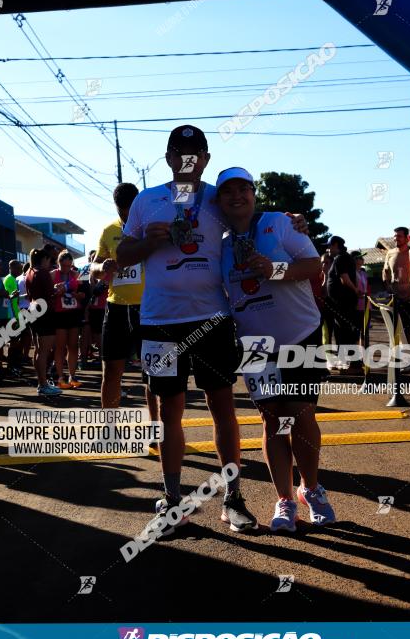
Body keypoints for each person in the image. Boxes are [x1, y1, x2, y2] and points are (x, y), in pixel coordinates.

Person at [117, 127, 258, 534]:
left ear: (206, 158)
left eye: (196, 153)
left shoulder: (219, 197)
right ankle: (173, 498)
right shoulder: (146, 200)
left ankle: (233, 498)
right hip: (161, 321)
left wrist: (294, 223)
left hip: (213, 317)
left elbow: (255, 217)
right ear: (168, 157)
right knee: (168, 411)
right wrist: (147, 242)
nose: (188, 159)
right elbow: (123, 254)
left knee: (223, 408)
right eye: (180, 152)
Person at [217, 167, 336, 532]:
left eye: (244, 189)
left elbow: (314, 264)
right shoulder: (216, 243)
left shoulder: (279, 224)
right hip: (253, 343)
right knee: (271, 419)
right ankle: (284, 499)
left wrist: (276, 268)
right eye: (228, 192)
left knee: (300, 415)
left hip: (300, 334)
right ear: (219, 201)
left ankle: (311, 489)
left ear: (254, 194)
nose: (237, 196)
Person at [91, 184, 158, 421]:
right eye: (123, 212)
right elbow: (94, 269)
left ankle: (156, 427)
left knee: (153, 372)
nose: (128, 216)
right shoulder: (109, 231)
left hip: (150, 307)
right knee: (111, 372)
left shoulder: (151, 227)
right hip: (117, 307)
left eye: (132, 210)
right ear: (117, 208)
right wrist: (102, 267)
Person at [26, 248, 64, 397]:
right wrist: (58, 291)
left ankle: (41, 383)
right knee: (44, 351)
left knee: (38, 350)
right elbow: (50, 294)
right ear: (45, 260)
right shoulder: (43, 273)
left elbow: (39, 292)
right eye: (49, 260)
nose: (50, 264)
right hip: (44, 314)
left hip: (33, 311)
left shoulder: (30, 271)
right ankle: (43, 385)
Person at [326, 236, 360, 369]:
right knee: (343, 330)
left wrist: (355, 290)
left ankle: (354, 362)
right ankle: (349, 361)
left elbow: (344, 278)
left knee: (346, 331)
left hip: (344, 301)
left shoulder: (341, 258)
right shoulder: (342, 258)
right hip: (341, 302)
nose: (327, 249)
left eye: (329, 246)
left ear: (335, 245)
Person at [51, 251, 84, 389]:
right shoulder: (52, 275)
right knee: (60, 347)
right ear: (59, 263)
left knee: (73, 345)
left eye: (69, 266)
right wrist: (55, 290)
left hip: (73, 313)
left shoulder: (76, 275)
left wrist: (77, 295)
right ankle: (60, 377)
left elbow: (84, 294)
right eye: (63, 266)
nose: (66, 269)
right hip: (59, 314)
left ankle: (72, 375)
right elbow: (48, 294)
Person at [382, 226, 410, 344]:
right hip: (395, 299)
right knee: (398, 330)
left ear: (407, 238)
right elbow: (385, 272)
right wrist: (388, 287)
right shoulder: (390, 253)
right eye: (395, 236)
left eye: (399, 236)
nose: (396, 239)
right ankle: (404, 357)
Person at [3, 259, 24, 377]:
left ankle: (15, 365)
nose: (21, 269)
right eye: (19, 267)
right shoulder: (8, 279)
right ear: (12, 268)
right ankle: (11, 367)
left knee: (16, 341)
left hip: (16, 314)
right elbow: (7, 298)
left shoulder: (13, 279)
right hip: (10, 315)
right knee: (13, 342)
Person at [351, 251, 370, 349]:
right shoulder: (350, 273)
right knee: (356, 330)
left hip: (366, 304)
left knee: (365, 330)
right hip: (356, 305)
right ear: (354, 260)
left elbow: (367, 288)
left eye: (362, 258)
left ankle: (365, 351)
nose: (362, 259)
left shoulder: (364, 273)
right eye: (359, 257)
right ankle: (356, 353)